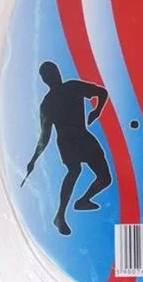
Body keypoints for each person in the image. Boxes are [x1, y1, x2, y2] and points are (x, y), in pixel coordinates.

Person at [23, 62, 112, 235]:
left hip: (83, 136)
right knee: (74, 170)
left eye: (53, 71)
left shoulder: (72, 87)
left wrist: (97, 111)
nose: (53, 75)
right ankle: (60, 215)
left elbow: (102, 92)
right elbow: (45, 136)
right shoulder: (48, 103)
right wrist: (33, 160)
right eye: (49, 74)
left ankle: (83, 201)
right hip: (66, 140)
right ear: (45, 79)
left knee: (105, 178)